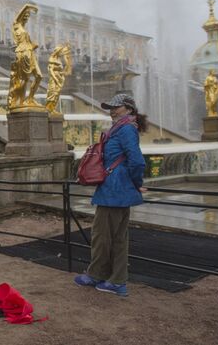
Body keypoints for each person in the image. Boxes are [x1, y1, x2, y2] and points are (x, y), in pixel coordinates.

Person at [74, 94, 147, 297]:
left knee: (102, 236)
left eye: (117, 107)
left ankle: (101, 276)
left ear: (129, 109)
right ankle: (113, 279)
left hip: (114, 191)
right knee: (116, 237)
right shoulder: (122, 128)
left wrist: (136, 183)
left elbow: (138, 161)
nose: (112, 110)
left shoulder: (125, 129)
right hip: (116, 190)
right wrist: (133, 184)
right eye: (110, 107)